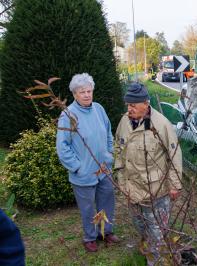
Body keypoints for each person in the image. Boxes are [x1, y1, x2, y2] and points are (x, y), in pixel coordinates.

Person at [115, 82, 182, 265]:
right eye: (127, 105)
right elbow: (119, 152)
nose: (129, 109)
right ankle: (150, 253)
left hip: (156, 191)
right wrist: (122, 183)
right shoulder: (124, 122)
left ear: (146, 103)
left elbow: (174, 155)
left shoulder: (161, 125)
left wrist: (175, 184)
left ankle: (158, 261)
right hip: (132, 189)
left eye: (133, 105)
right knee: (141, 227)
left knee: (158, 231)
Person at [56, 73, 119, 252]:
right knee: (87, 208)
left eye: (89, 91)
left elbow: (107, 132)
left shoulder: (99, 109)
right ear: (75, 94)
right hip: (83, 174)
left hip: (103, 169)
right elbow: (63, 146)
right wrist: (78, 167)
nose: (87, 95)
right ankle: (90, 237)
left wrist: (109, 155)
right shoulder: (68, 115)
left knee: (106, 202)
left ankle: (105, 232)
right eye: (82, 92)